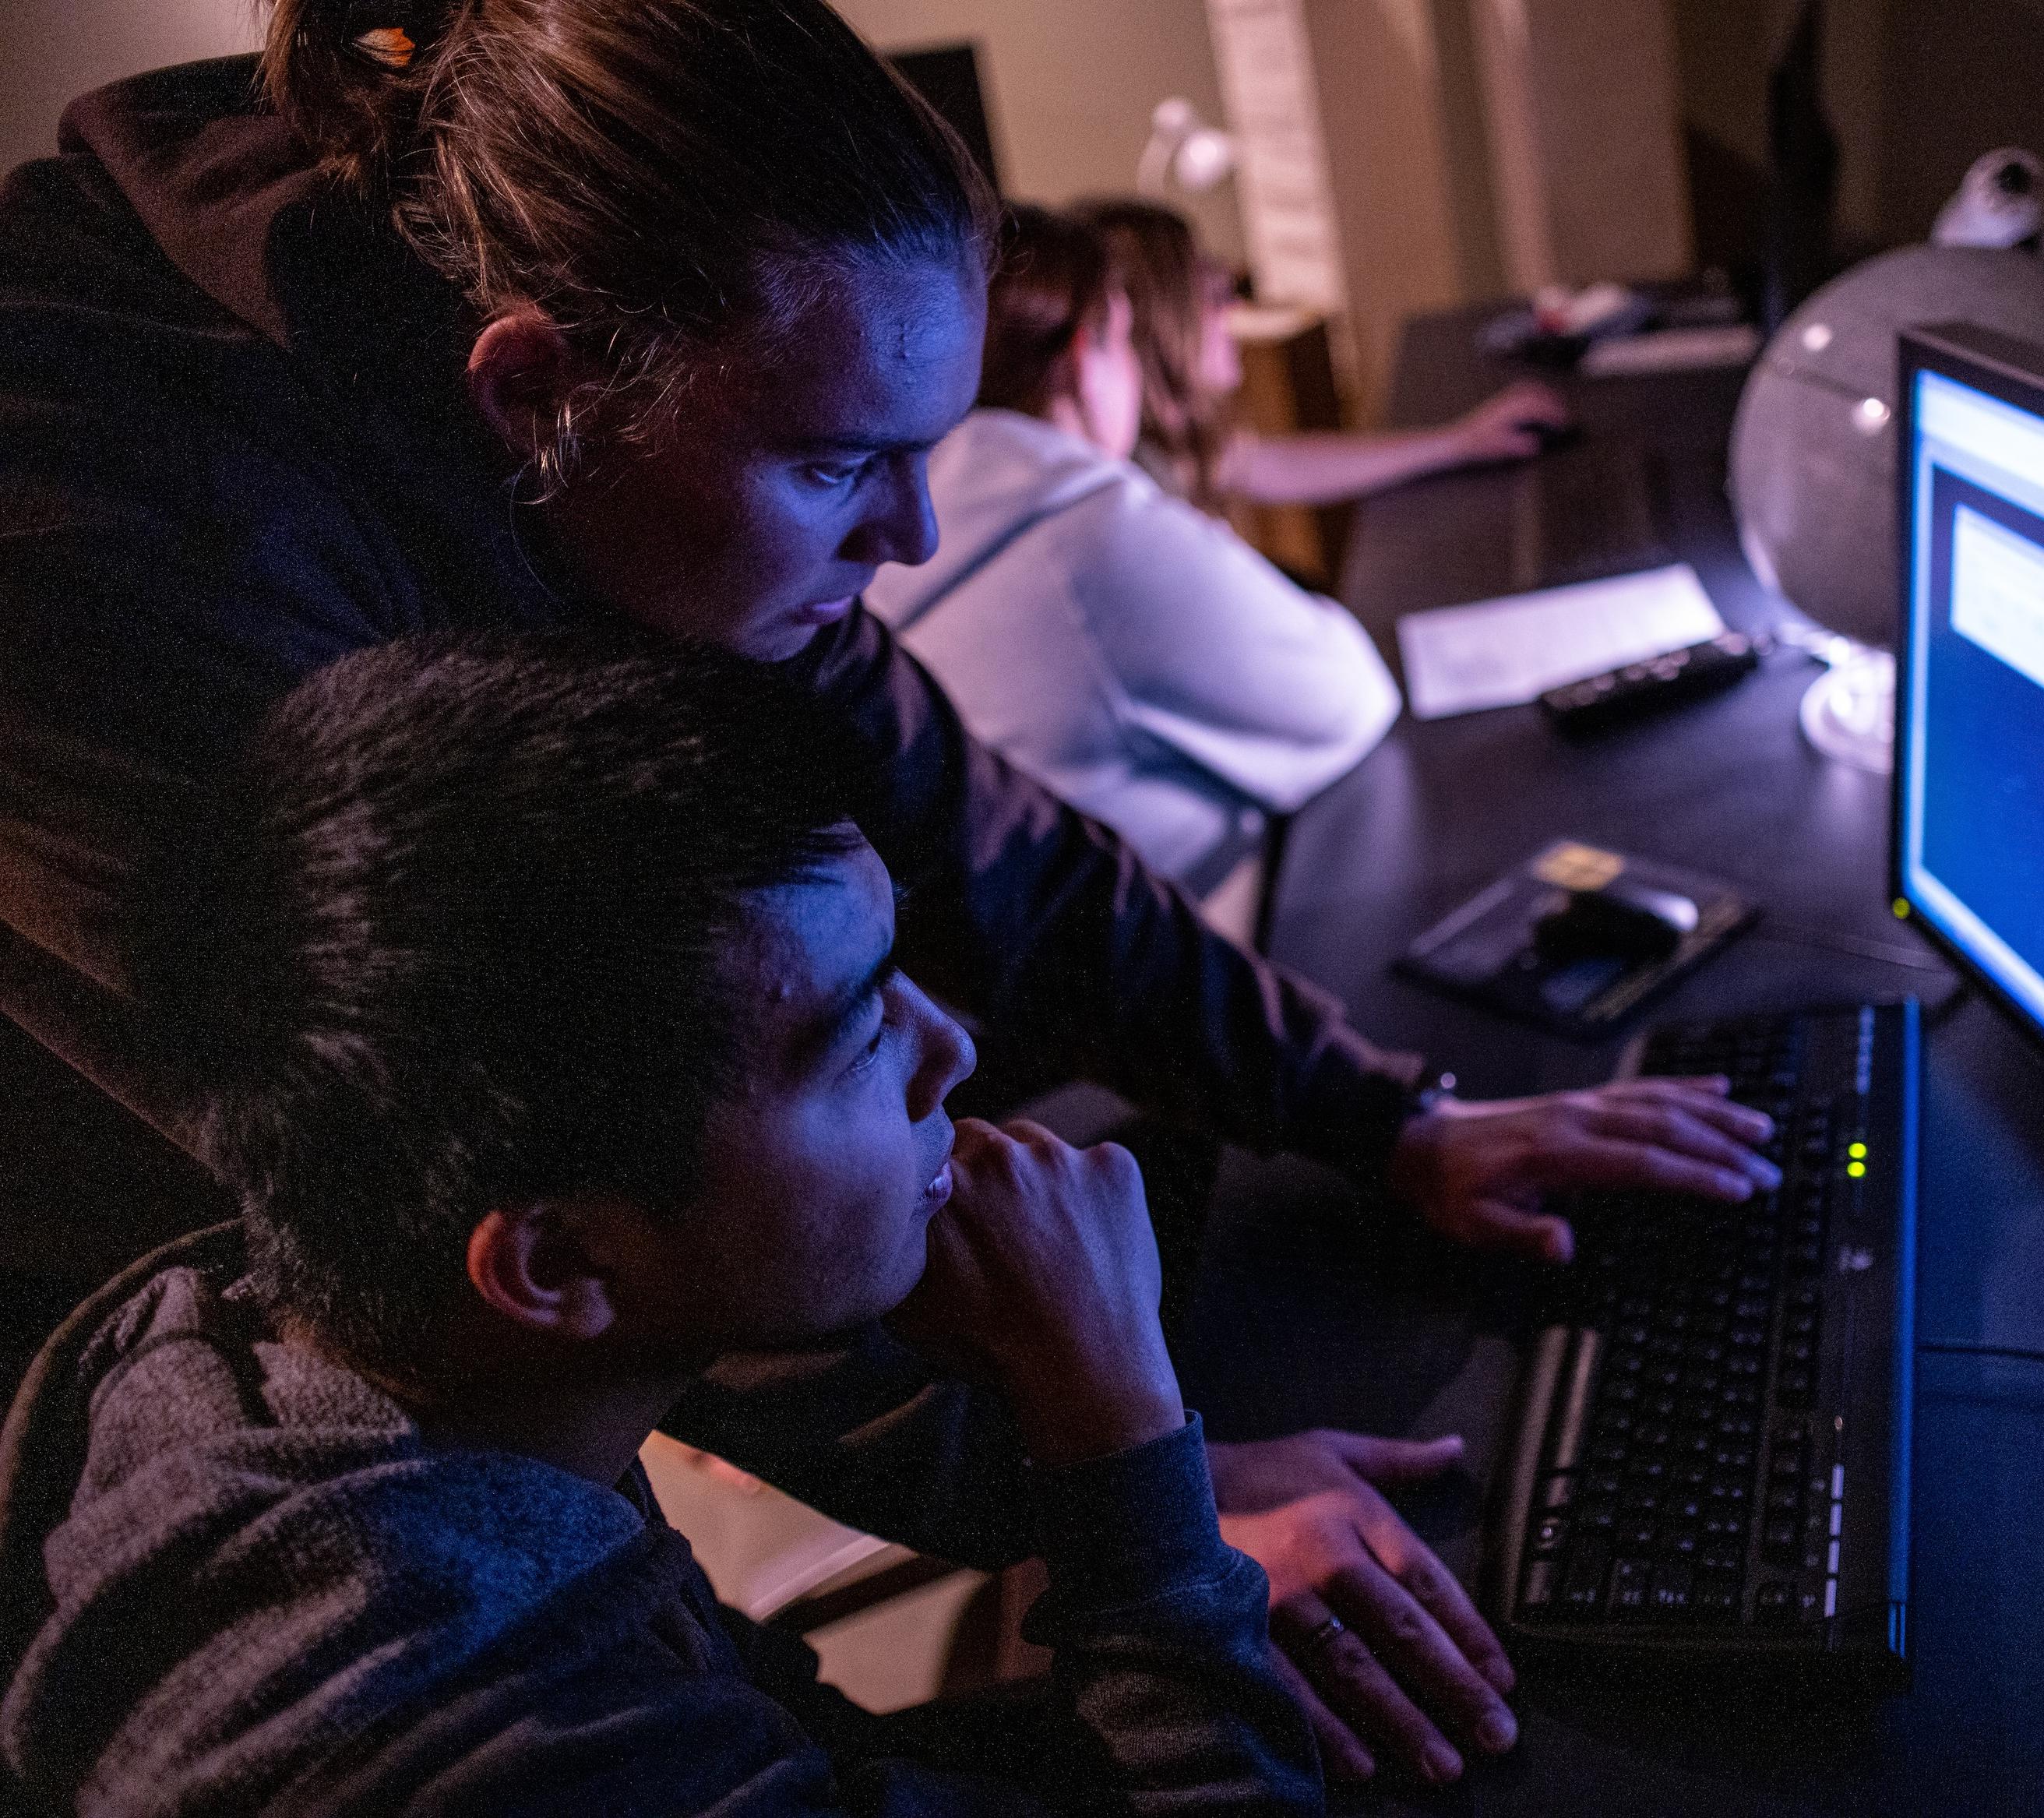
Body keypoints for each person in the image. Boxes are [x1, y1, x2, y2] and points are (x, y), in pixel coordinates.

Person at [0, 0, 1779, 1783]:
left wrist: (1393, 1117)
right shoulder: (128, 570)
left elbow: (962, 822)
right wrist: (1136, 1486)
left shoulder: (635, 443)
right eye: (843, 465)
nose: (914, 534)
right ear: (535, 393)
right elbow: (599, 1189)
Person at [0, 631, 1320, 1814]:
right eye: (856, 1032)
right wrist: (1117, 1422)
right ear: (559, 1259)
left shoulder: (245, 1358)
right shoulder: (482, 1738)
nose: (951, 1047)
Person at [866, 206, 1399, 900]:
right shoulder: (1083, 528)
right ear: (1086, 357)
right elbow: (1345, 696)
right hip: (1191, 946)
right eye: (1123, 339)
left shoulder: (892, 530)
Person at [1077, 197, 1571, 509]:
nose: (1233, 307)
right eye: (1212, 290)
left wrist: (1458, 442)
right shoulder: (1135, 492)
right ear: (1163, 321)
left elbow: (1274, 464)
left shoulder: (1170, 447)